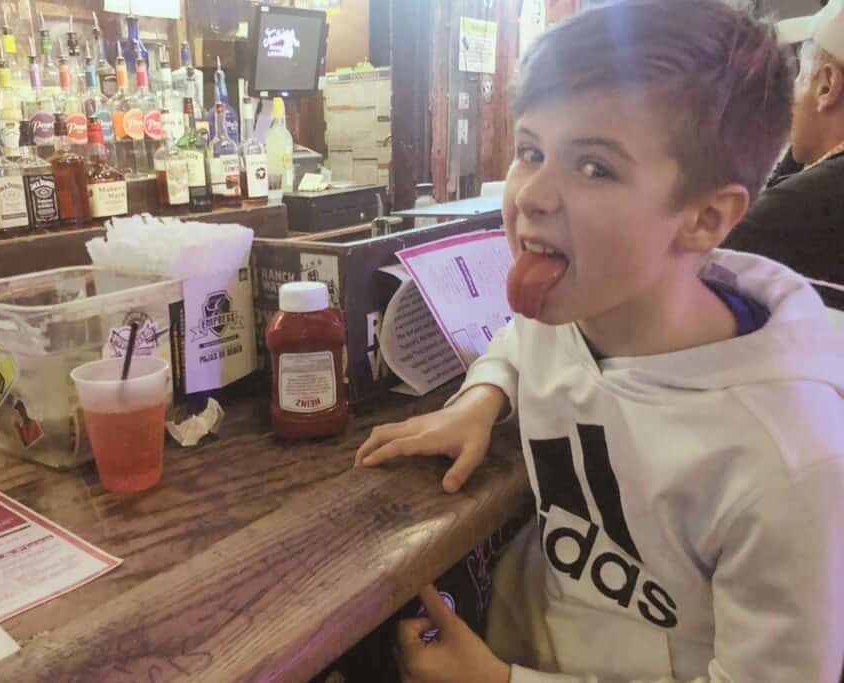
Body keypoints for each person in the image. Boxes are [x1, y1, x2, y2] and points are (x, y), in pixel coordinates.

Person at [356, 1, 844, 681]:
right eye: (530, 151)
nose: (530, 194)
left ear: (706, 217)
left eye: (594, 168)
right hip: (516, 632)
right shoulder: (583, 307)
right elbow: (522, 340)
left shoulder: (787, 461)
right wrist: (481, 397)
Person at [724, 0, 844, 310]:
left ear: (827, 86)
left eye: (800, 75)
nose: (791, 94)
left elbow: (695, 260)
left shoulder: (803, 208)